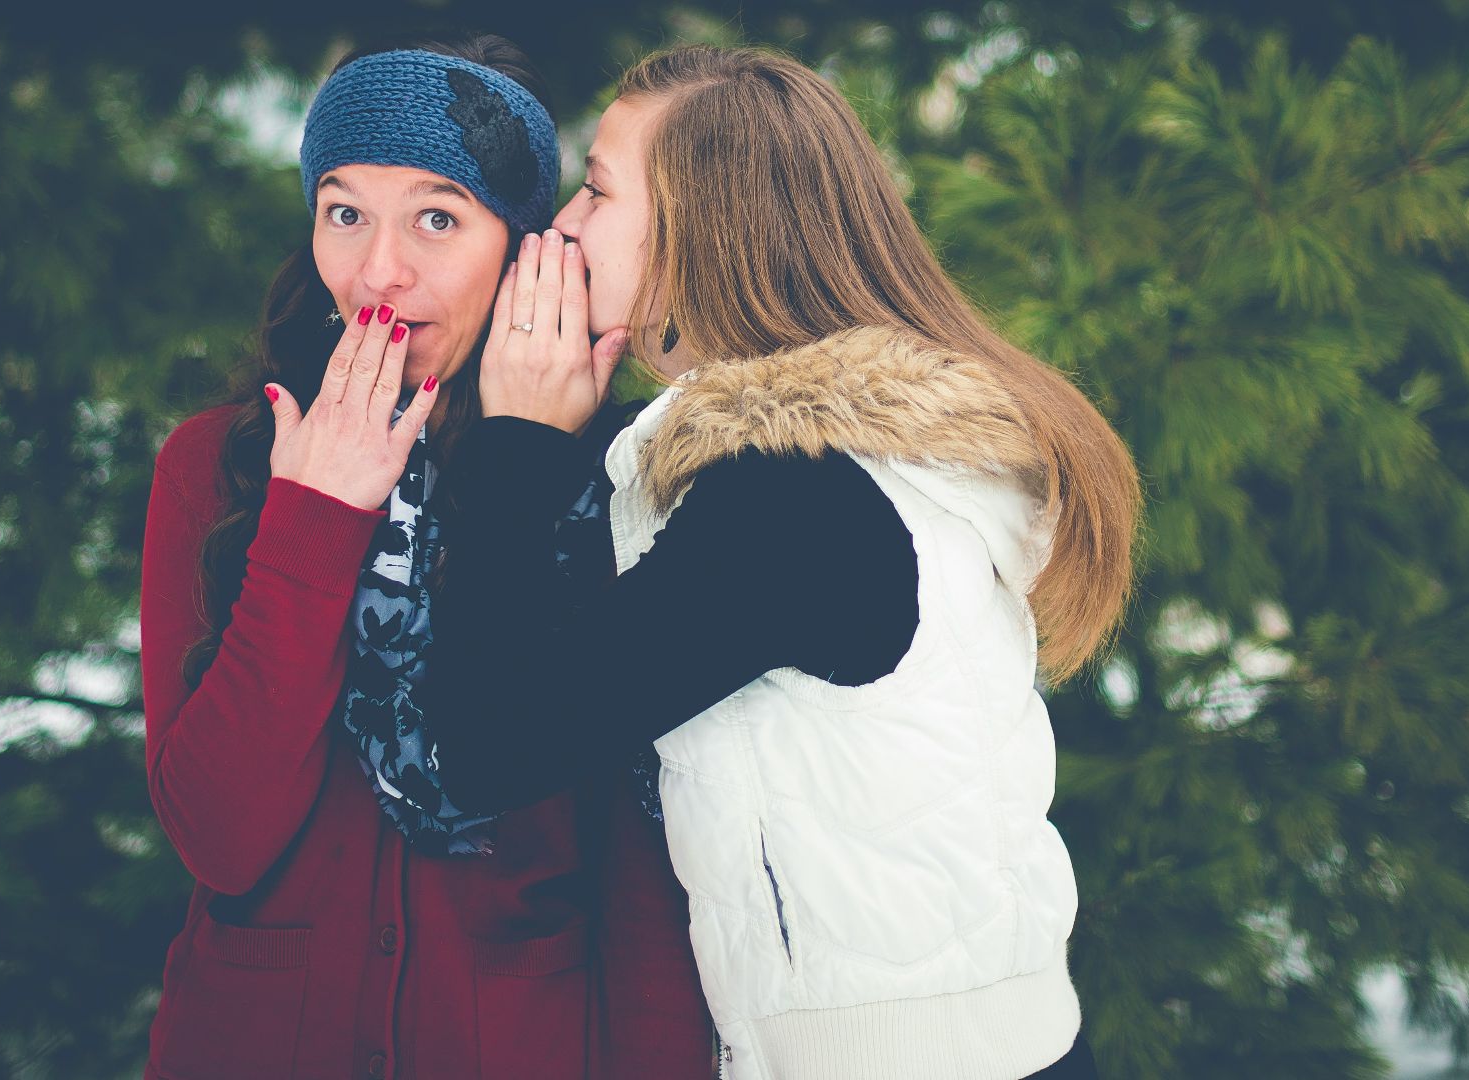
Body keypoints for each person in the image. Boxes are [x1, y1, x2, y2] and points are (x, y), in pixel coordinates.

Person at [417, 45, 1140, 1079]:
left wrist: (519, 447)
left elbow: (490, 747)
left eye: (598, 190)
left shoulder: (793, 501)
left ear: (699, 229)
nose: (565, 228)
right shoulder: (874, 460)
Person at [138, 35, 709, 1079]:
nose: (377, 272)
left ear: (523, 248)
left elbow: (640, 877)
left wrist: (523, 463)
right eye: (344, 211)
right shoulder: (217, 467)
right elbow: (218, 837)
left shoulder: (612, 478)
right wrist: (313, 520)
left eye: (438, 218)